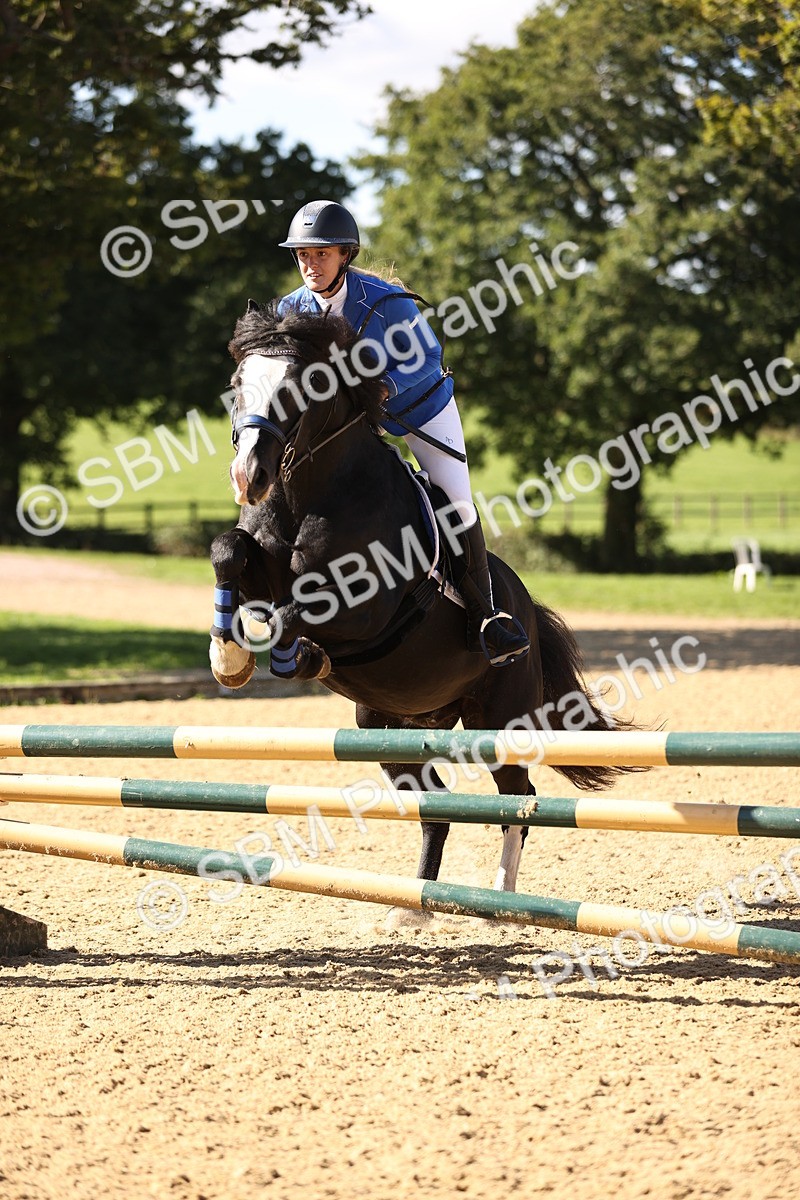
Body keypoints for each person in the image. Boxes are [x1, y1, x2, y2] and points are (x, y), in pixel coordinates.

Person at [277, 199, 529, 666]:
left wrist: (382, 389)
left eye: (321, 254)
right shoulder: (291, 308)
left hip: (421, 410)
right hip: (354, 425)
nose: (311, 265)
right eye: (303, 255)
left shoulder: (386, 302)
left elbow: (428, 360)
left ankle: (487, 616)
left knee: (455, 501)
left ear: (346, 255)